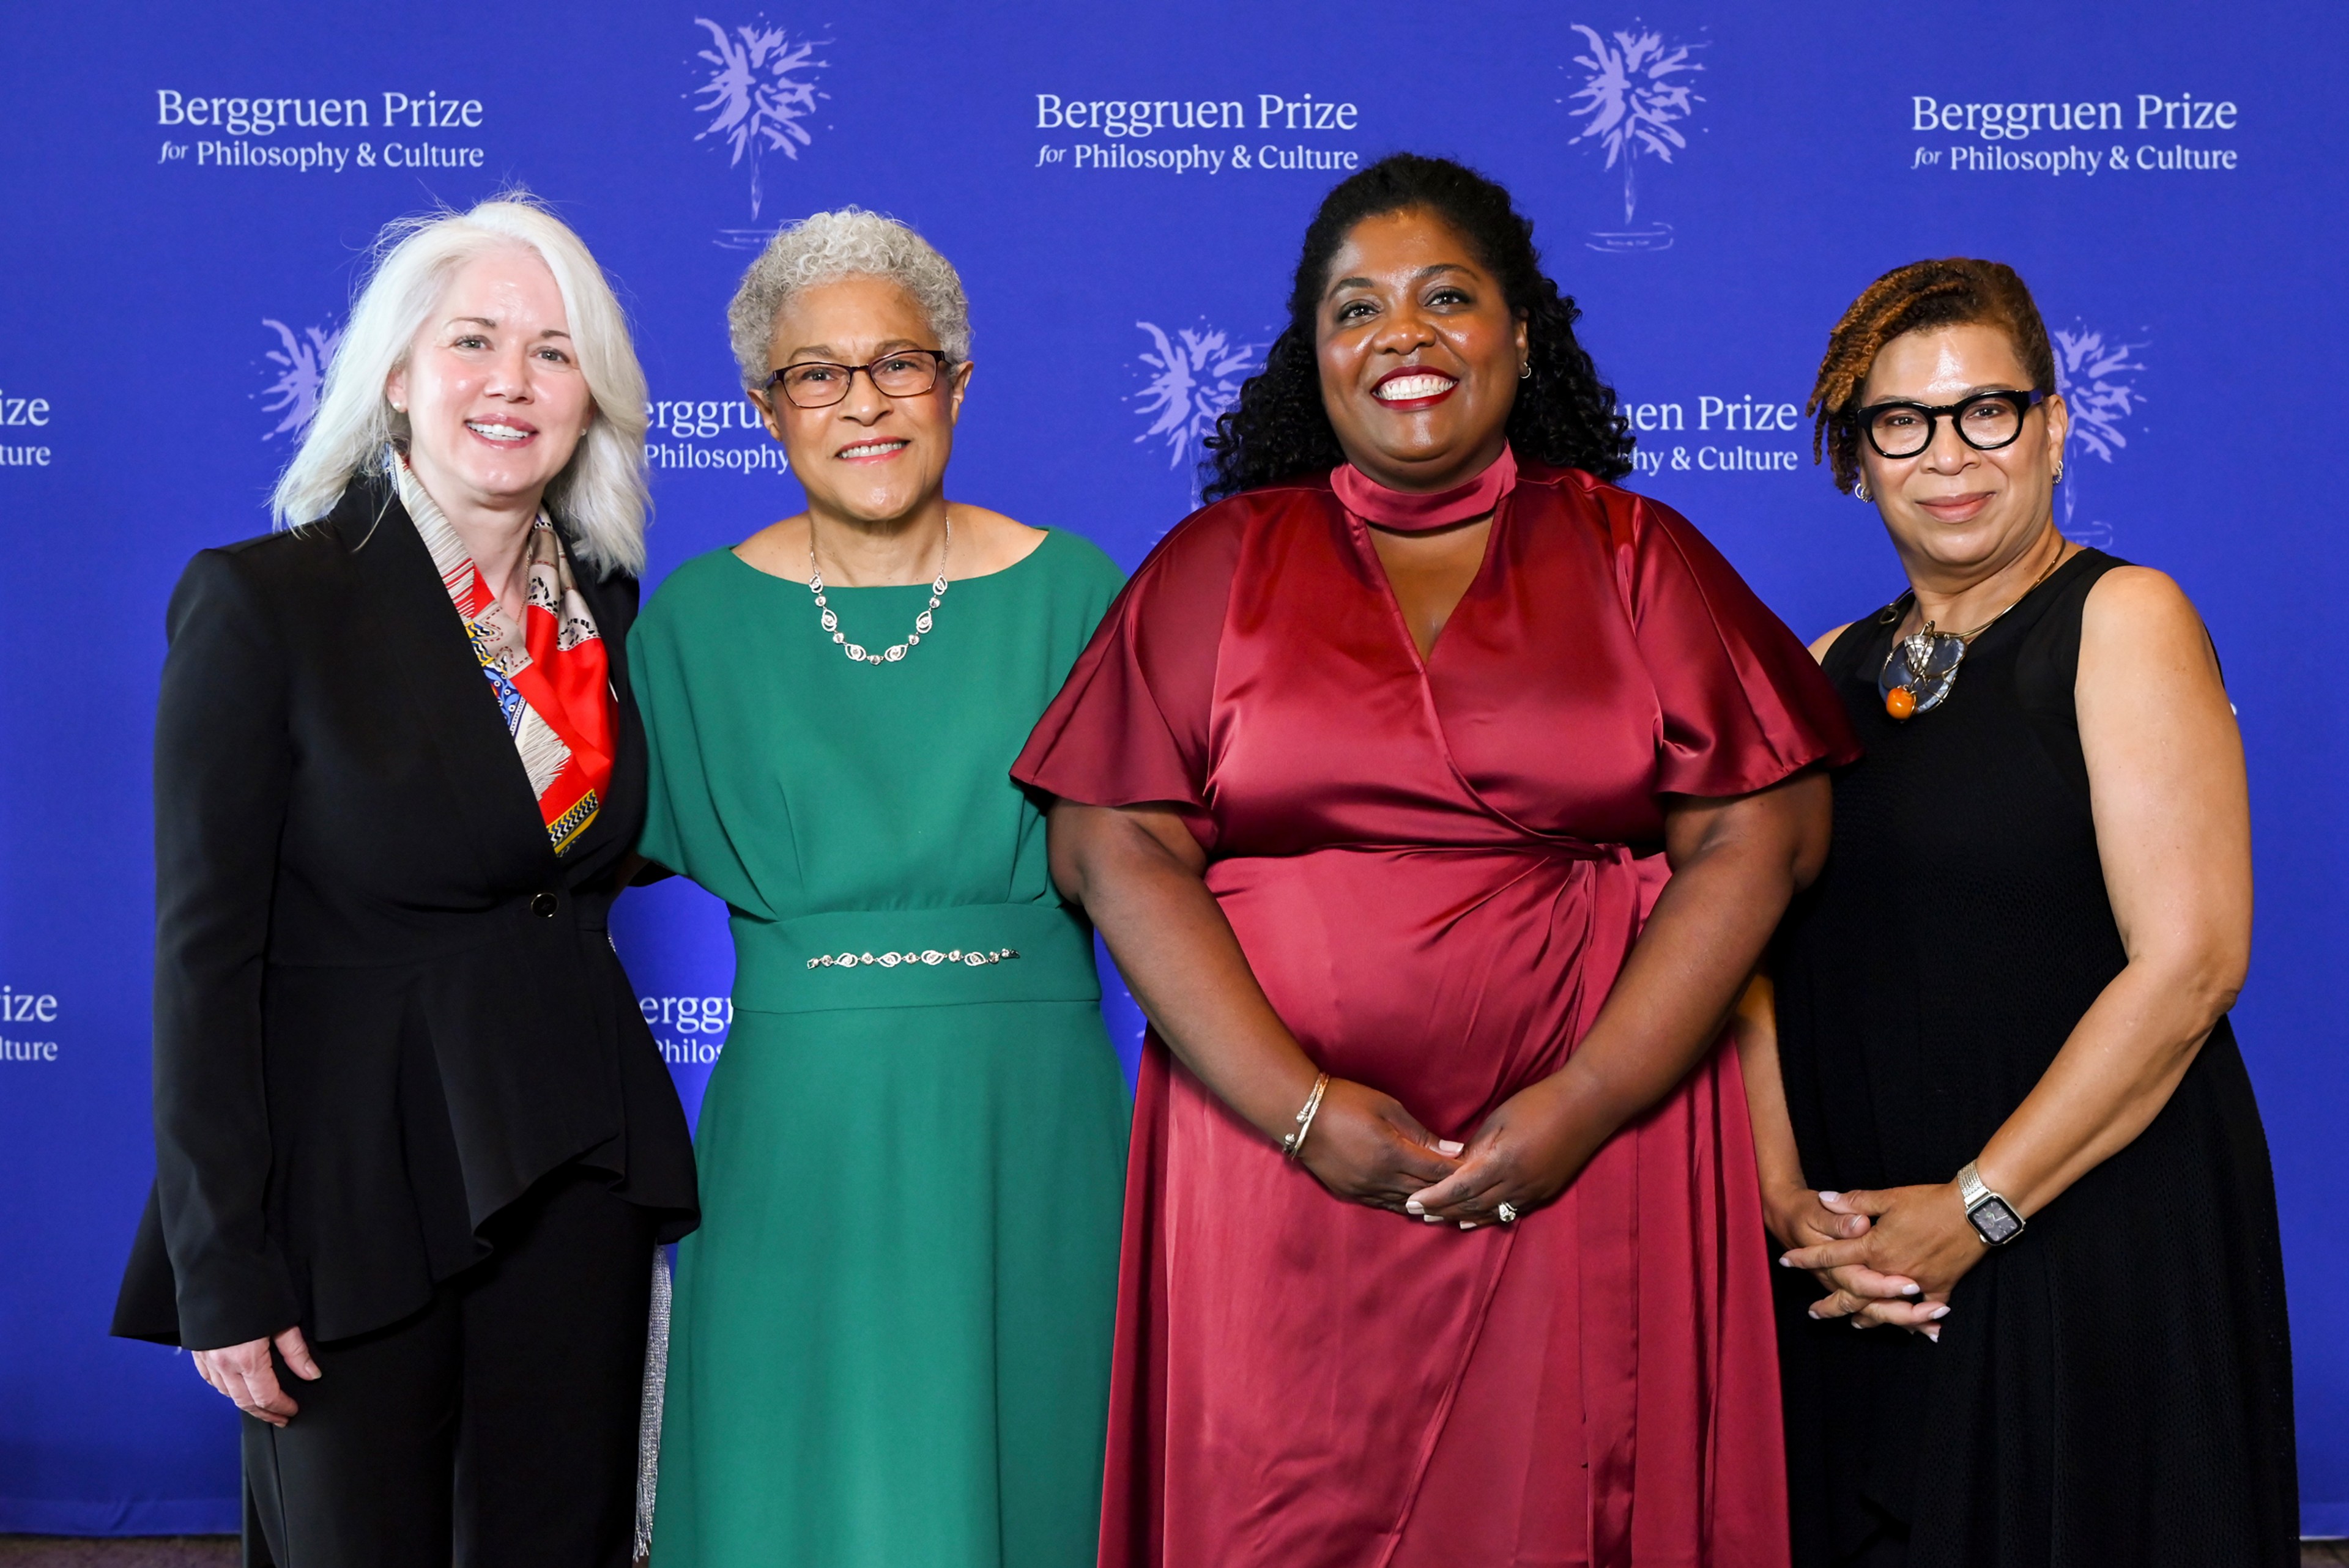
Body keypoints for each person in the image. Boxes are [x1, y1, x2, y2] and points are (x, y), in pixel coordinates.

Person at [1013, 153, 1857, 1568]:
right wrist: (1297, 1108)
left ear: (1521, 336)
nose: (1401, 333)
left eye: (1446, 297)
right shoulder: (1218, 563)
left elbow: (1765, 833)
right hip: (1276, 1178)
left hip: (1598, 1167)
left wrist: (1589, 1097)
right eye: (1357, 309)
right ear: (1318, 355)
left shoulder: (1636, 552)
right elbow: (1111, 845)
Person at [108, 193, 698, 1567]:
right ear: (394, 374)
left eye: (555, 352)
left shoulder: (607, 606)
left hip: (574, 1172)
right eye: (474, 340)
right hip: (346, 1199)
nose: (512, 382)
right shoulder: (265, 601)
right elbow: (204, 956)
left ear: (592, 396)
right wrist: (224, 1262)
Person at [1740, 257, 2297, 1567]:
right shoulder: (1825, 666)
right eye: (1903, 422)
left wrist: (1975, 1210)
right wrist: (1783, 1199)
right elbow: (1746, 960)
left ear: (2052, 426)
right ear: (1855, 456)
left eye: (1988, 409)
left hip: (2087, 1239)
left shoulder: (2122, 618)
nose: (1949, 454)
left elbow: (2193, 964)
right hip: (1869, 1274)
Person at [631, 209, 1129, 1568]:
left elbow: (1173, 876)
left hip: (1032, 1122)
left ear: (958, 384)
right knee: (801, 1492)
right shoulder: (688, 626)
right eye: (817, 373)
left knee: (1042, 1465)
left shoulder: (1079, 594)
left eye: (899, 363)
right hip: (801, 1137)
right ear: (764, 409)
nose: (863, 402)